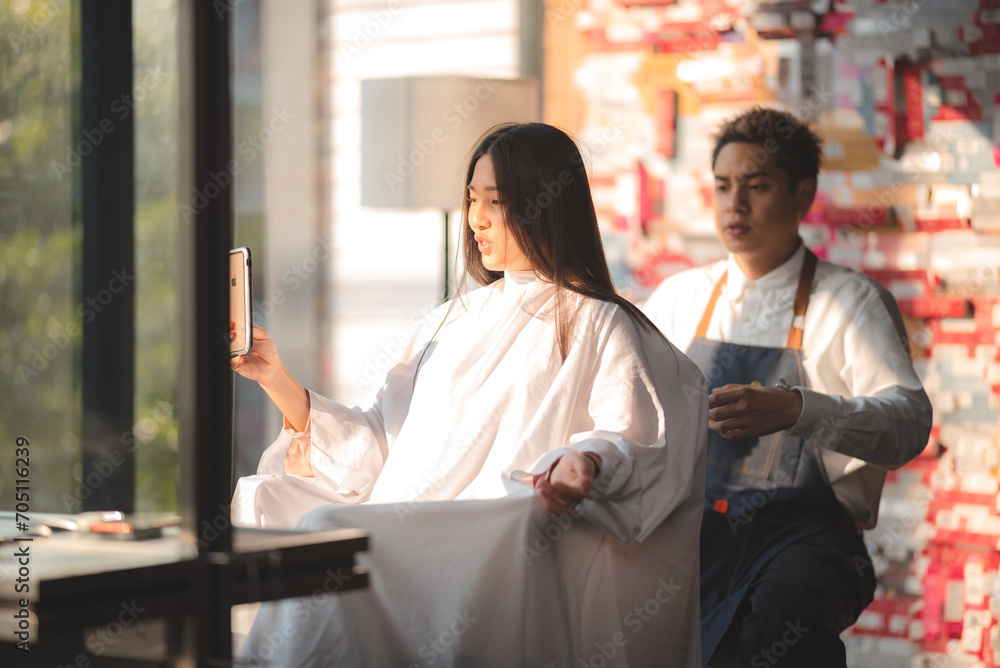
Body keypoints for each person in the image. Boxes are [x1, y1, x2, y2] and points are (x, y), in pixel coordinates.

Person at [231, 122, 708, 667]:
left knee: (325, 538)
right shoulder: (451, 320)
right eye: (471, 199)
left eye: (497, 202)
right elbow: (383, 443)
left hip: (492, 537)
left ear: (546, 205)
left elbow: (636, 436)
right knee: (270, 512)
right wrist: (275, 379)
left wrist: (582, 464)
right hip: (414, 522)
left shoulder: (602, 323)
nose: (476, 219)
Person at [642, 107, 933, 667]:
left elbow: (908, 422)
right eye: (724, 186)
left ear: (803, 195)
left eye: (756, 185)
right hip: (696, 531)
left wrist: (798, 409)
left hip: (810, 537)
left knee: (778, 623)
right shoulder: (679, 299)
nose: (736, 203)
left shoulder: (851, 302)